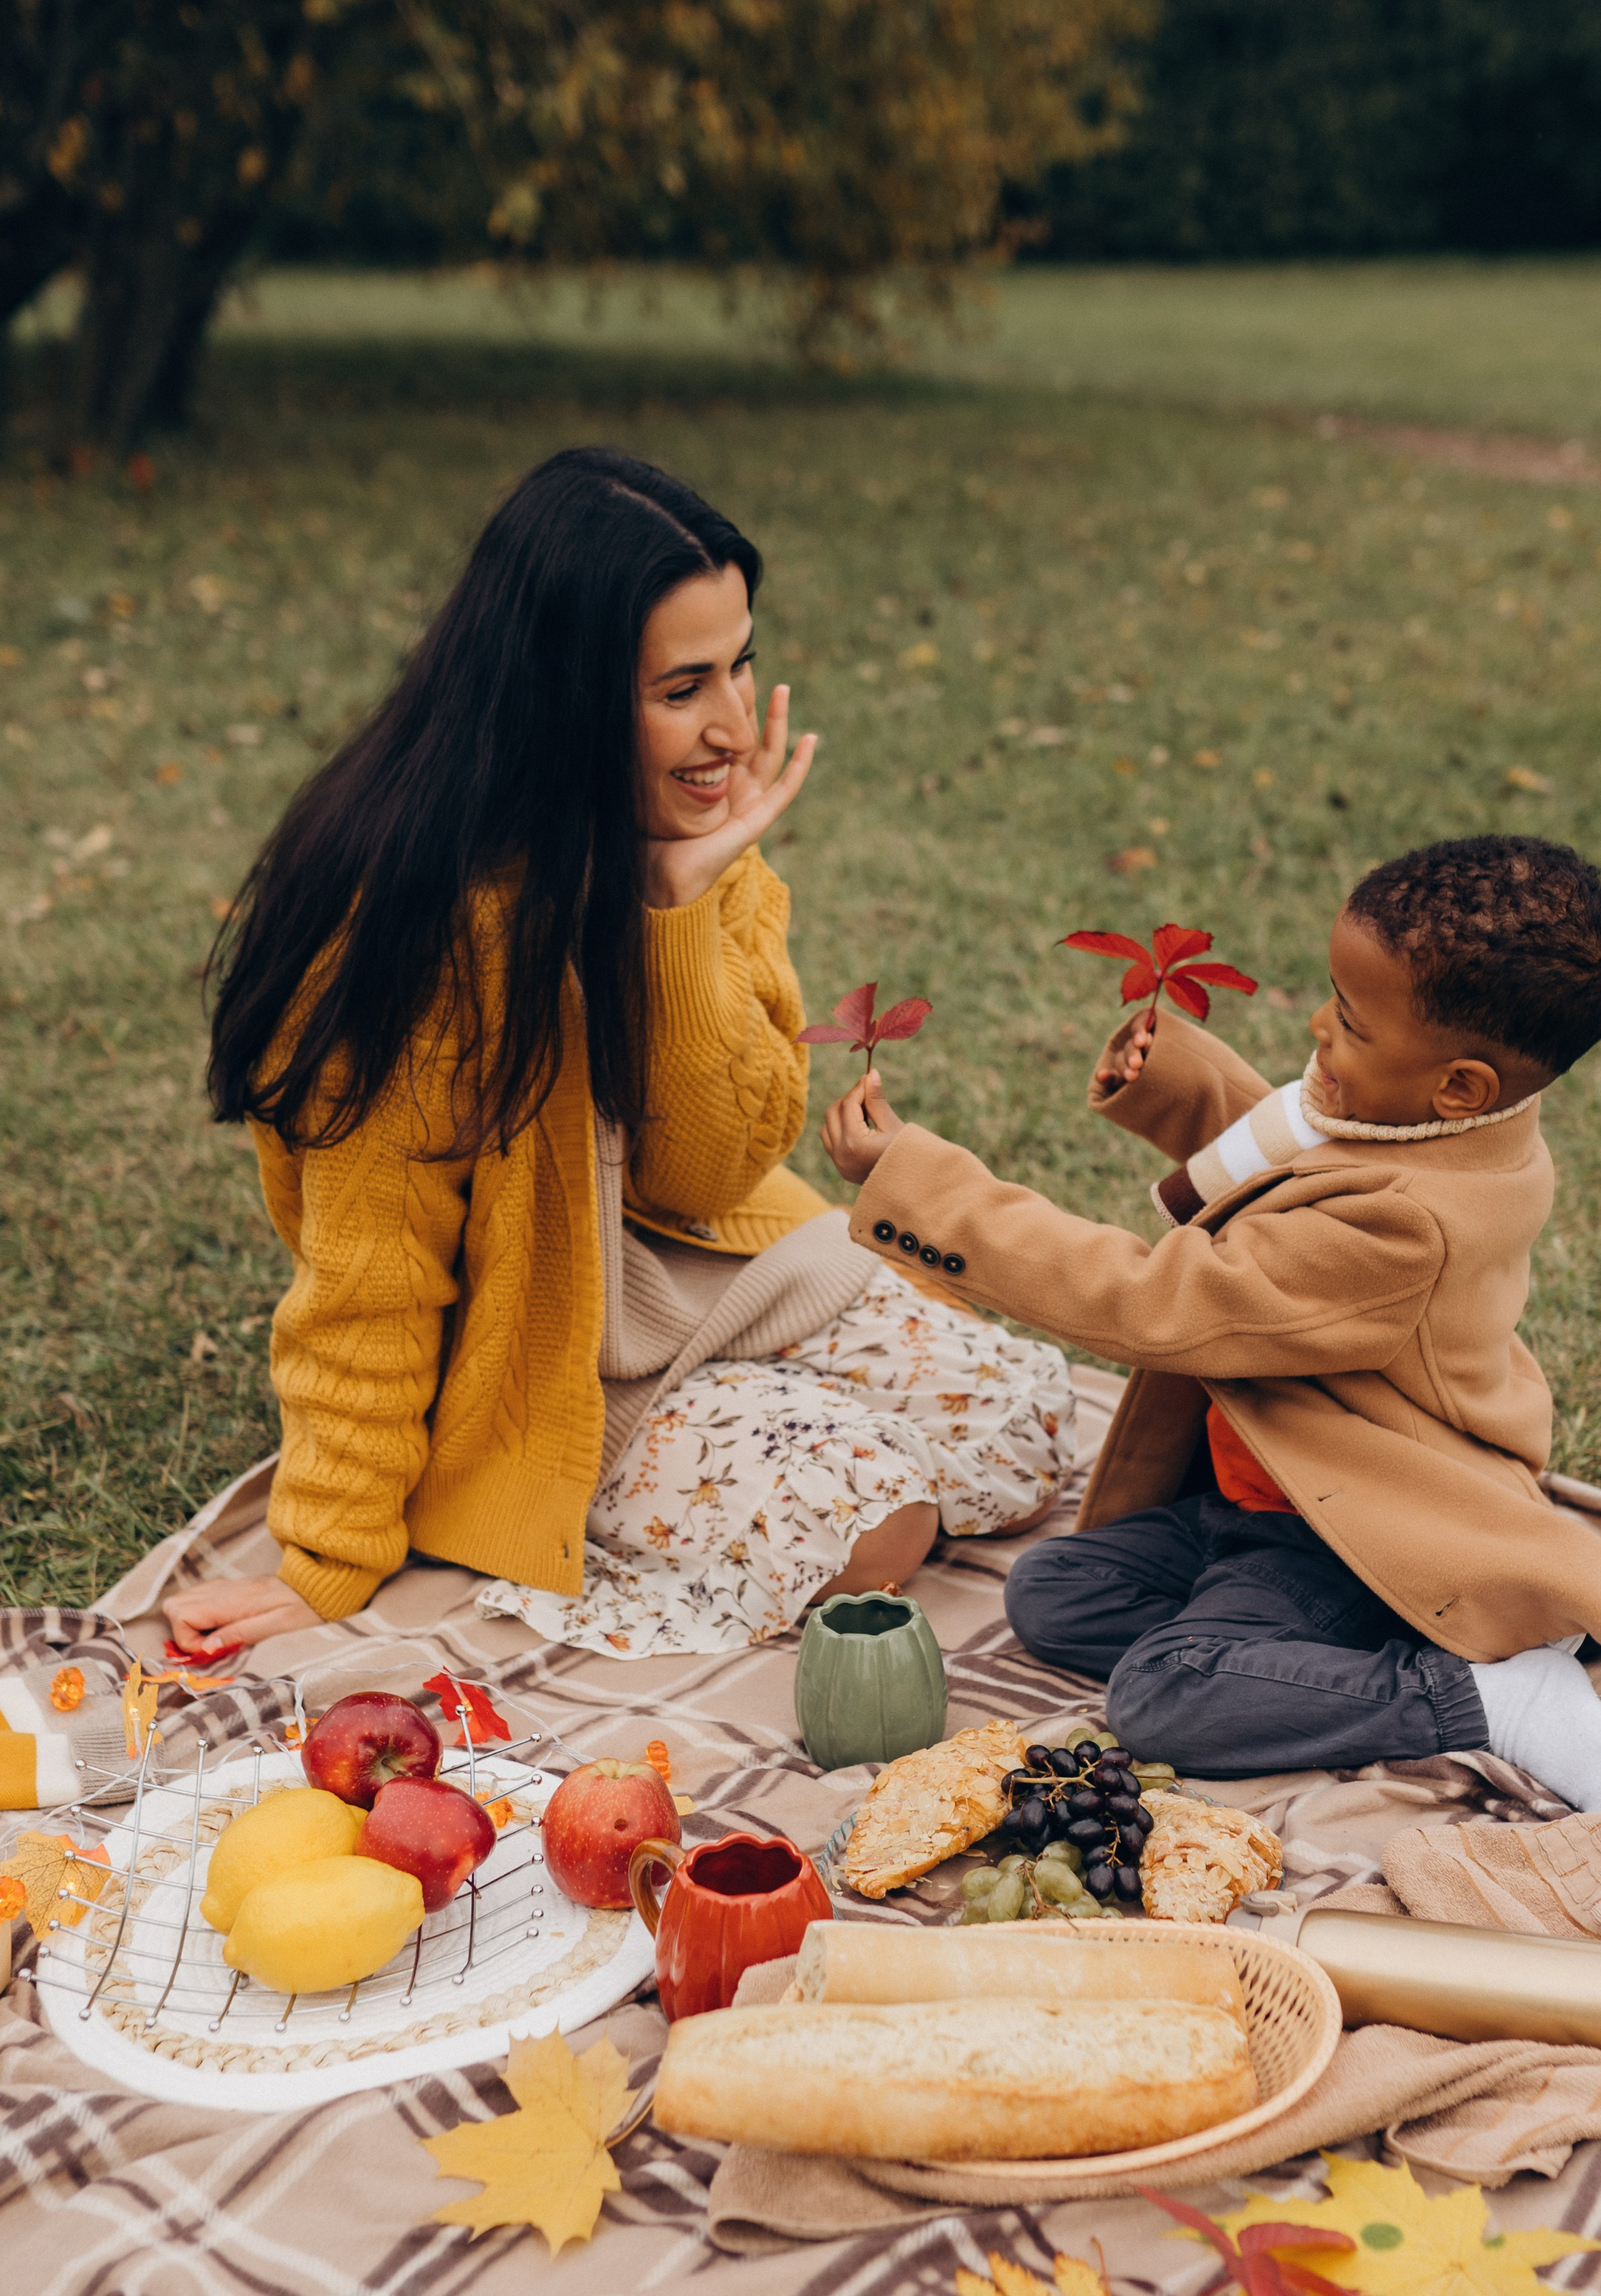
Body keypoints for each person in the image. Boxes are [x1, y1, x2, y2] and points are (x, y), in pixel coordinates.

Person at [166, 447, 1071, 1664]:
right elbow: (368, 1281)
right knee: (879, 1523)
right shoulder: (413, 934)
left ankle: (778, 1419)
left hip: (705, 1271)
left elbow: (712, 1172)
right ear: (566, 700)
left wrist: (674, 913)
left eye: (740, 663)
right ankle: (736, 1450)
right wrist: (329, 1550)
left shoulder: (691, 835)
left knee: (1027, 1422)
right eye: (683, 687)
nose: (734, 727)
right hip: (539, 1367)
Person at [820, 836, 1601, 1813]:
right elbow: (1303, 1150)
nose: (1318, 1027)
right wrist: (1176, 1081)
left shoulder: (1406, 1229)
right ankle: (1314, 1650)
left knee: (1163, 1697)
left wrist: (924, 1190)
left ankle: (1483, 1697)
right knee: (1054, 1593)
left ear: (1458, 1085)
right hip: (1261, 1500)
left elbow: (1150, 1300)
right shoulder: (1447, 1129)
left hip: (1343, 1532)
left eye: (1350, 1022)